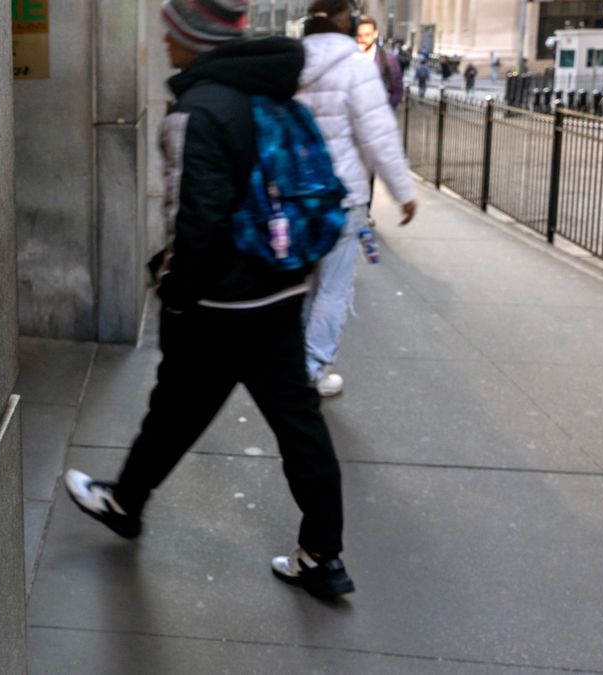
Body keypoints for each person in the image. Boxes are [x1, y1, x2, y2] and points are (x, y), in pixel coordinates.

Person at [63, 0, 356, 600]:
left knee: (175, 407)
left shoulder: (198, 110)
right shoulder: (270, 92)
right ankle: (322, 555)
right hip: (280, 289)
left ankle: (125, 501)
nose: (165, 45)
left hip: (218, 304)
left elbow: (194, 222)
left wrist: (174, 296)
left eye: (172, 34)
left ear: (194, 40)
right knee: (295, 422)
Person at [297, 0, 417, 397]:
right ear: (343, 22)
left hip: (297, 196)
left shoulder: (292, 64)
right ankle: (312, 368)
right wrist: (403, 192)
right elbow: (379, 136)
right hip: (343, 196)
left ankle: (293, 364)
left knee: (301, 285)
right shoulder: (355, 68)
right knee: (332, 288)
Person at [355, 17, 404, 108]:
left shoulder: (388, 59)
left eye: (367, 35)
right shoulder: (350, 57)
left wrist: (384, 112)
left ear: (375, 34)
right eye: (359, 35)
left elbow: (397, 91)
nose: (362, 39)